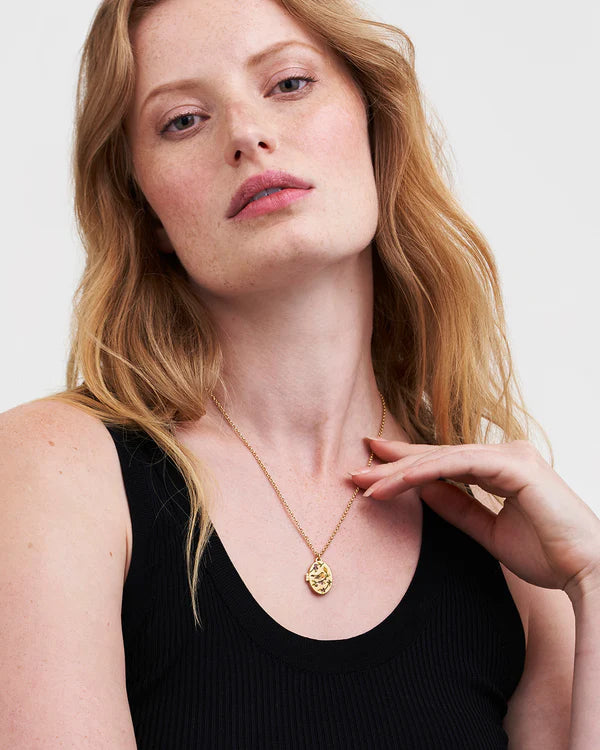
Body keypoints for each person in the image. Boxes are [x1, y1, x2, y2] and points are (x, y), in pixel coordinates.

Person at [1, 0, 599, 747]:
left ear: (373, 124)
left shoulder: (503, 535)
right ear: (145, 210)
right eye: (183, 120)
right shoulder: (53, 473)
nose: (247, 134)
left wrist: (592, 582)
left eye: (288, 83)